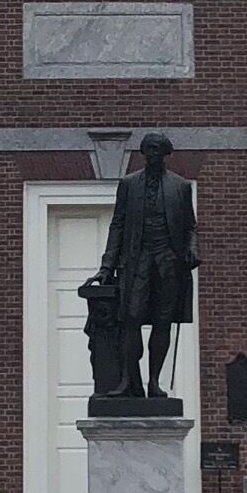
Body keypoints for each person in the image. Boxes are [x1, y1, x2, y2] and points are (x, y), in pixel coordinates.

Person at [93, 131, 199, 398]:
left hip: (168, 262)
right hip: (136, 261)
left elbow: (190, 227)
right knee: (131, 319)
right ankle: (130, 380)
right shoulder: (129, 184)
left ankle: (154, 381)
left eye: (156, 149)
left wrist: (191, 250)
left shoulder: (181, 186)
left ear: (166, 153)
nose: (151, 154)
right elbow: (117, 225)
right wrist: (107, 266)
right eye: (147, 150)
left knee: (163, 322)